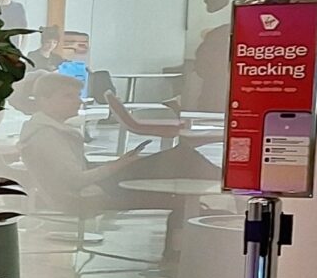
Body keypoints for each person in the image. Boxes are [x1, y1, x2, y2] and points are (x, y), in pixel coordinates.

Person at [15, 72, 205, 207]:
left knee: (179, 161)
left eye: (77, 96)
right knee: (181, 159)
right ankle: (226, 189)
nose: (79, 101)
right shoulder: (47, 135)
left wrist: (121, 163)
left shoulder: (44, 130)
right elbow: (75, 181)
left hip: (92, 188)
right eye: (68, 96)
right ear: (44, 100)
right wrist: (118, 166)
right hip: (88, 195)